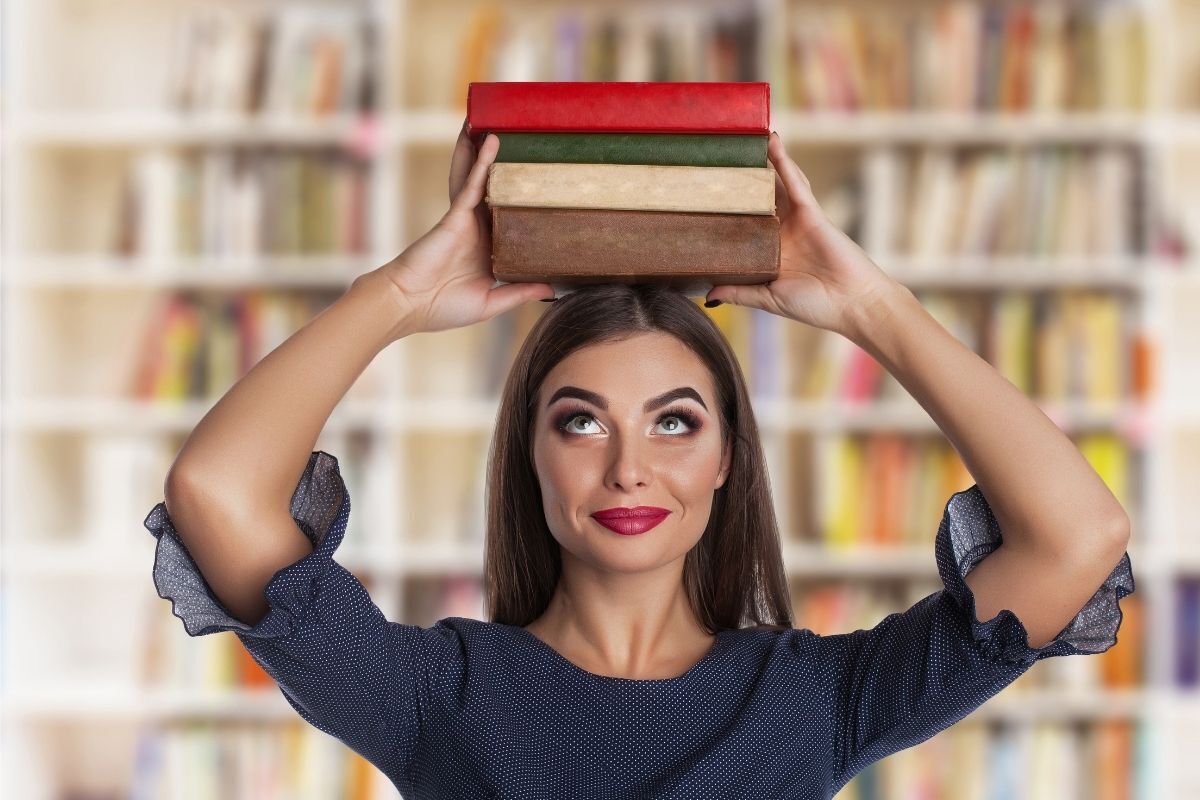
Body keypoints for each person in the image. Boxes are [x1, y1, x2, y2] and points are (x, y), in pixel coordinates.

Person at [145, 121, 1136, 798]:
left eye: (674, 424)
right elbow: (216, 491)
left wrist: (872, 305)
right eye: (580, 423)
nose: (628, 468)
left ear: (726, 461)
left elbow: (1076, 538)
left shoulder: (817, 698)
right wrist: (399, 295)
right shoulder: (436, 693)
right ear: (527, 454)